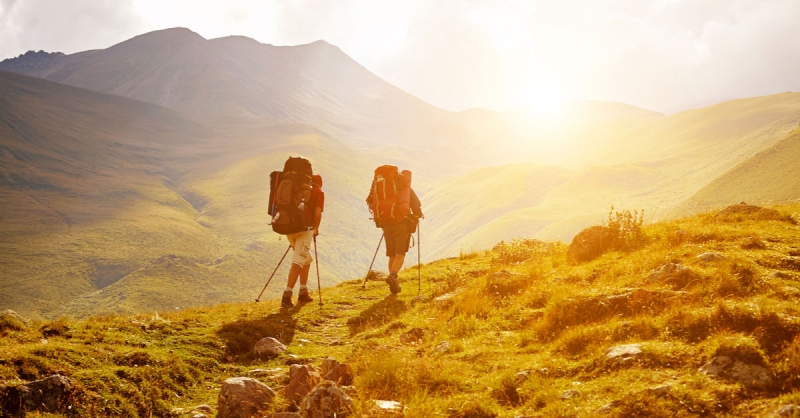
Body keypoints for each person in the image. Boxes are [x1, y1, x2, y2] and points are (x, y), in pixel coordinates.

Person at [281, 174, 324, 308]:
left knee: (306, 259)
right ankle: (287, 295)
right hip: (305, 229)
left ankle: (303, 291)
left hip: (289, 228)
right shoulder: (318, 193)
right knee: (299, 260)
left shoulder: (297, 189)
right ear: (320, 183)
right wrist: (315, 229)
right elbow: (317, 214)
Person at [382, 188, 422, 294]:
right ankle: (393, 275)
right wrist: (418, 214)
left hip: (385, 223)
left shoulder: (382, 186)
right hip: (401, 224)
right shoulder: (405, 187)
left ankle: (393, 282)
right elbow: (416, 204)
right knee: (400, 253)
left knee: (391, 254)